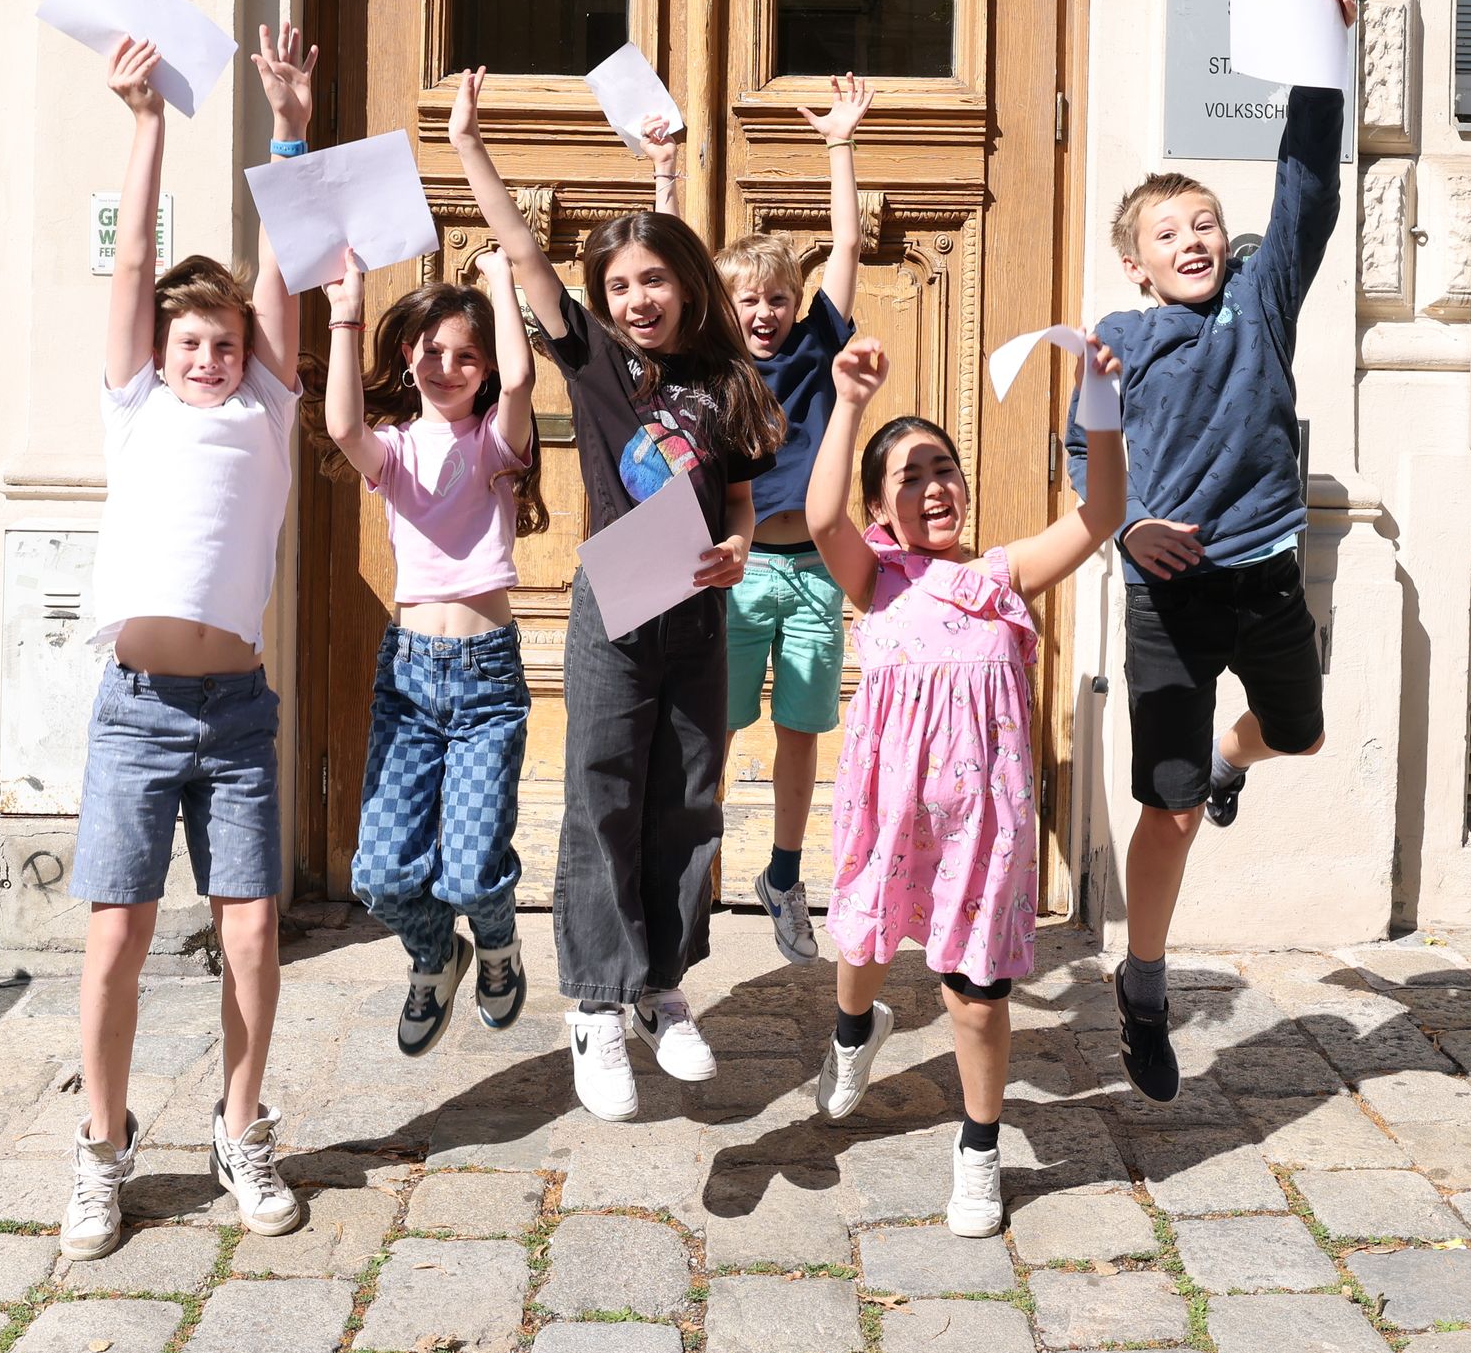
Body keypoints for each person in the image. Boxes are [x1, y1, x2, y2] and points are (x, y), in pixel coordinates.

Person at [448, 66, 783, 1121]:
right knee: (603, 793)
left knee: (689, 797)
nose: (638, 299)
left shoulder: (721, 379)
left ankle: (661, 988)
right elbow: (522, 256)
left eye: (654, 281)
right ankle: (594, 1001)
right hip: (616, 595)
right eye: (621, 285)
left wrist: (736, 550)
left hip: (698, 599)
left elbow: (734, 498)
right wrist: (466, 145)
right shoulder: (593, 362)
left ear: (684, 283)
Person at [1082, 0, 1357, 1102]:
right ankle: (1143, 985)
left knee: (1297, 738)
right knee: (1172, 806)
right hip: (1168, 601)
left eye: (1204, 222)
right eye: (1168, 231)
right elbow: (1082, 471)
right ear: (1135, 262)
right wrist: (1129, 534)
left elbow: (1306, 187)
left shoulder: (1259, 300)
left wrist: (1322, 55)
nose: (1194, 238)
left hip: (1266, 578)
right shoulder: (1115, 339)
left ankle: (1240, 759)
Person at [66, 25, 318, 1258]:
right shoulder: (138, 410)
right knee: (114, 935)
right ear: (161, 357)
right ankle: (103, 1151)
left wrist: (288, 127)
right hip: (135, 709)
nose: (210, 357)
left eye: (224, 343)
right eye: (190, 344)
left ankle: (238, 1125)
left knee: (253, 930)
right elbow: (134, 270)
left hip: (235, 717)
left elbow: (280, 283)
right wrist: (149, 123)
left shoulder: (267, 412)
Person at [800, 335, 1127, 1237]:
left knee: (976, 990)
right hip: (890, 807)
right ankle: (853, 1028)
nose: (934, 485)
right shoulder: (876, 578)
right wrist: (851, 402)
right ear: (881, 508)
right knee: (862, 943)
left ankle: (979, 1147)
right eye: (910, 477)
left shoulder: (1001, 575)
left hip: (985, 819)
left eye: (944, 468)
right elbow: (820, 513)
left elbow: (1101, 511)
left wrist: (1096, 400)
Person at [320, 243, 544, 1057]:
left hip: (487, 679)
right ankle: (433, 953)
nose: (448, 365)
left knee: (473, 870)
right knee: (378, 874)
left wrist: (502, 281)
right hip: (409, 679)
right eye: (434, 351)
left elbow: (523, 383)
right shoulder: (394, 449)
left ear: (484, 370)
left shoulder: (493, 448)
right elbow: (341, 423)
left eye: (467, 355)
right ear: (409, 356)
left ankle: (497, 945)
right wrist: (347, 309)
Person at [709, 74, 875, 960]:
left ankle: (782, 870)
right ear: (723, 310)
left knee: (802, 732)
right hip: (737, 575)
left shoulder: (816, 346)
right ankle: (695, 863)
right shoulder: (712, 374)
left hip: (811, 572)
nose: (766, 313)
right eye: (749, 301)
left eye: (777, 298)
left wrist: (840, 145)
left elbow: (845, 242)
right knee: (718, 726)